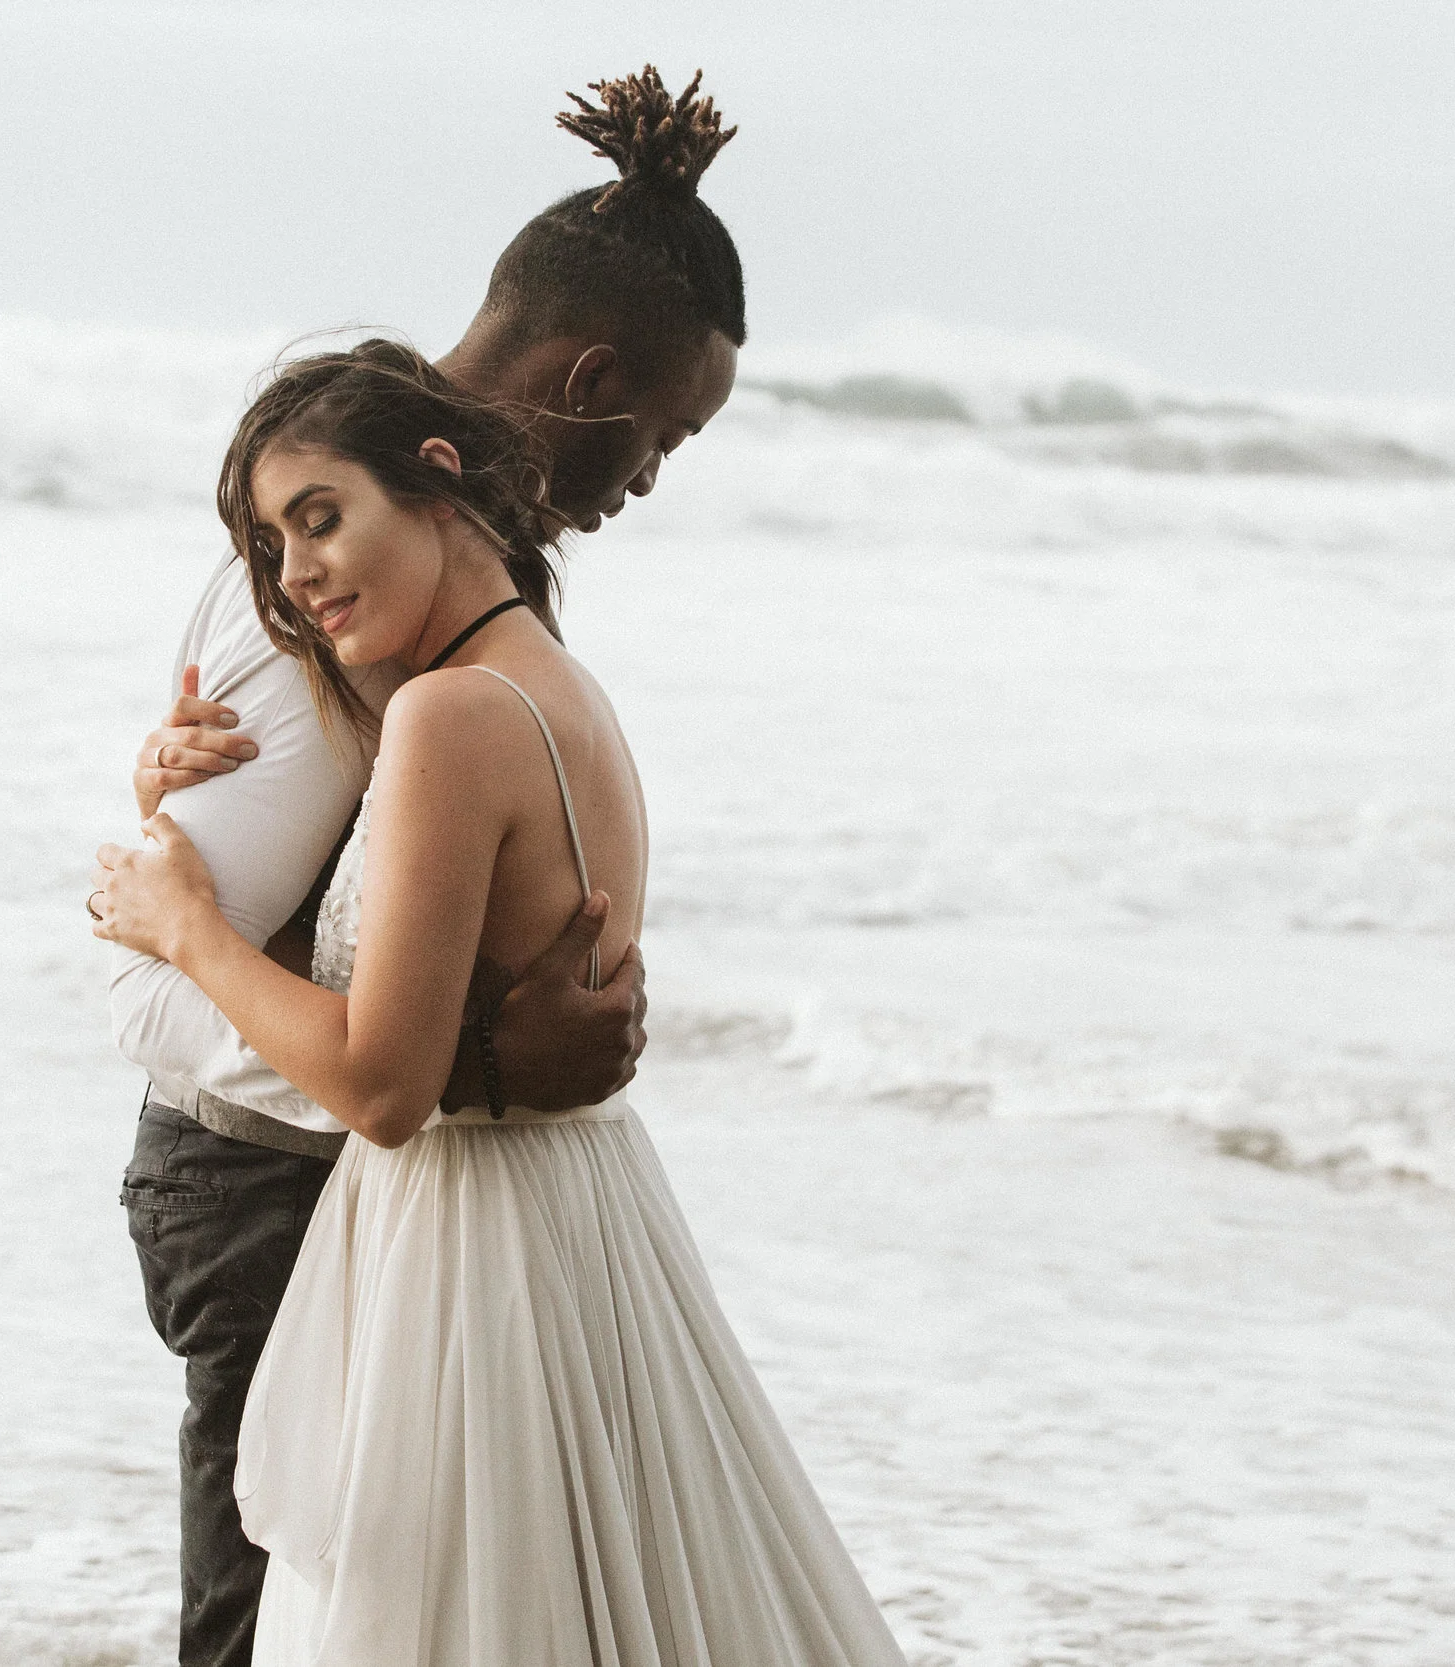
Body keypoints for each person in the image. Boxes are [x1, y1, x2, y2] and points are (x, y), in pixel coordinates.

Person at [90, 324, 906, 1661]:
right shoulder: (566, 693)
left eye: (318, 521)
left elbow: (381, 1083)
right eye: (269, 548)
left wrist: (187, 925)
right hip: (583, 1221)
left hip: (461, 1249)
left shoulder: (446, 720)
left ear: (434, 478)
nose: (292, 581)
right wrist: (176, 797)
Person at [106, 68, 752, 1666]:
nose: (654, 474)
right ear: (591, 374)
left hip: (411, 1190)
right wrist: (467, 1063)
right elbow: (149, 976)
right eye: (662, 431)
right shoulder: (336, 577)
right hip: (266, 1191)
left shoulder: (476, 630)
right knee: (273, 1629)